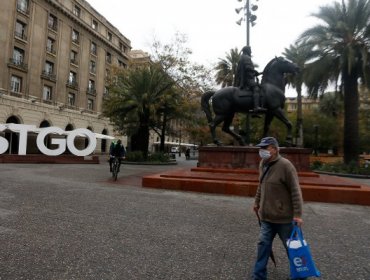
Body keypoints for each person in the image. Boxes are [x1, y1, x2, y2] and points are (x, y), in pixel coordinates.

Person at [252, 136, 305, 280]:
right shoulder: (263, 163)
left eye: (265, 148)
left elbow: (295, 191)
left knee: (292, 249)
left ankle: (300, 275)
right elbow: (261, 185)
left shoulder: (286, 166)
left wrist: (298, 215)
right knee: (263, 246)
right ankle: (258, 276)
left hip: (285, 219)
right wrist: (257, 203)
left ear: (274, 150)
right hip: (266, 217)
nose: (261, 150)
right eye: (260, 148)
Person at [234, 46, 266, 114]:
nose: (251, 52)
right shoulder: (246, 57)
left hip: (246, 78)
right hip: (247, 79)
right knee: (256, 88)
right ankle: (256, 107)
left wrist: (255, 73)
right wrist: (255, 71)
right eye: (250, 50)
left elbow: (247, 70)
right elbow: (248, 68)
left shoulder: (242, 57)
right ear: (247, 50)